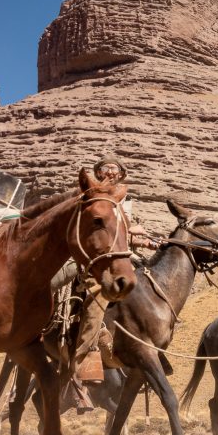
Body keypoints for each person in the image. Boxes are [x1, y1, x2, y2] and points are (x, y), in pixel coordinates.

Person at [69, 155, 156, 412]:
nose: (111, 173)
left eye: (116, 170)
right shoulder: (90, 196)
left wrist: (145, 241)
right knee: (97, 297)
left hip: (123, 262)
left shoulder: (123, 202)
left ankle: (151, 353)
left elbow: (123, 236)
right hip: (97, 263)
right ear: (97, 172)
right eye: (105, 169)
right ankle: (83, 367)